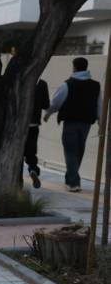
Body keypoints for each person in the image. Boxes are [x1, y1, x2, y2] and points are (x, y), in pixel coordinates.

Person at [44, 57, 102, 192]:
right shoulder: (96, 85)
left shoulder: (67, 84)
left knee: (70, 151)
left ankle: (73, 183)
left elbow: (56, 102)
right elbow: (99, 104)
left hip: (70, 123)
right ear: (86, 67)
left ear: (74, 67)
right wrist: (101, 121)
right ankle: (71, 179)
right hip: (86, 123)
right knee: (79, 151)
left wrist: (48, 113)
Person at [24, 79, 50, 189]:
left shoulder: (21, 80)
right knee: (31, 153)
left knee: (18, 154)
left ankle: (17, 181)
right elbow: (46, 105)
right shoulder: (42, 84)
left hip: (18, 126)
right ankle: (33, 169)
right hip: (33, 124)